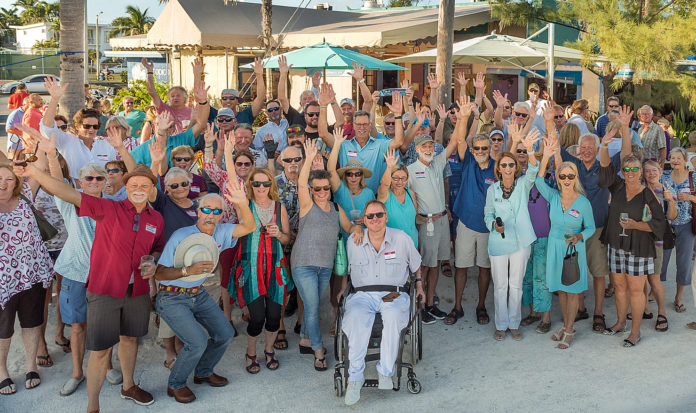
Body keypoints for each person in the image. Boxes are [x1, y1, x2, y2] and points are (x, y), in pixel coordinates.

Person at [18, 163, 166, 410]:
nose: (139, 189)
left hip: (137, 291)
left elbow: (157, 247)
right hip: (105, 290)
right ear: (125, 188)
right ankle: (93, 406)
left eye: (144, 185)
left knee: (129, 340)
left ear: (152, 190)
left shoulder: (157, 219)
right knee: (100, 350)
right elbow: (68, 193)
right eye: (133, 185)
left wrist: (154, 262)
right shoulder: (109, 207)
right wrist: (35, 172)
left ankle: (128, 386)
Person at [154, 189, 256, 403]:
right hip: (171, 296)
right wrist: (186, 271)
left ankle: (203, 372)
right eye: (206, 210)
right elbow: (160, 272)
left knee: (225, 333)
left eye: (216, 211)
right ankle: (176, 384)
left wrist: (242, 203)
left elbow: (250, 226)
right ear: (198, 212)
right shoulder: (181, 235)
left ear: (221, 215)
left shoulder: (222, 231)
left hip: (197, 293)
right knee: (197, 341)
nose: (211, 215)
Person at [550, 105, 633, 332]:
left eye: (591, 147)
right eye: (583, 147)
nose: (586, 151)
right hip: (573, 229)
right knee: (573, 271)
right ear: (578, 149)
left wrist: (625, 129)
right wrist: (550, 121)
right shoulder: (572, 164)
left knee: (598, 273)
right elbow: (554, 148)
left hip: (597, 228)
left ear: (597, 149)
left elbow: (626, 155)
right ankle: (580, 309)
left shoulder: (605, 165)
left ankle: (598, 312)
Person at [341, 200, 424, 406]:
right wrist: (342, 290)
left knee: (394, 314)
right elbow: (347, 273)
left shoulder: (401, 238)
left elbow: (416, 266)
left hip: (392, 293)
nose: (375, 219)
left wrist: (420, 286)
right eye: (370, 216)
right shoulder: (353, 241)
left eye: (379, 215)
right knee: (355, 319)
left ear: (386, 217)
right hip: (363, 294)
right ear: (365, 220)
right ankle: (355, 378)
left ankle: (386, 371)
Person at [293, 140, 362, 371]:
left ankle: (305, 338)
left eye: (325, 188)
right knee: (312, 308)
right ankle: (319, 351)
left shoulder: (335, 209)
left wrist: (358, 228)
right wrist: (309, 160)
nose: (322, 192)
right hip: (303, 264)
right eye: (317, 188)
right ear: (311, 191)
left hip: (325, 266)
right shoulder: (306, 205)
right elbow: (301, 184)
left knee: (314, 305)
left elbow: (349, 227)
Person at [599, 140, 666, 347]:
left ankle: (635, 332)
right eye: (626, 169)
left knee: (636, 290)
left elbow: (659, 225)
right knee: (619, 286)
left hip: (639, 247)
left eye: (635, 169)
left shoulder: (648, 194)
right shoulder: (618, 187)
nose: (630, 172)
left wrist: (636, 224)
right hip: (616, 245)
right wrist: (603, 145)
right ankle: (620, 323)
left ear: (641, 172)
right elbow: (604, 167)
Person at [536, 138, 596, 349]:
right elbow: (538, 181)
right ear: (558, 179)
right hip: (554, 247)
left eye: (571, 175)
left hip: (573, 250)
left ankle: (569, 329)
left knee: (572, 291)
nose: (567, 179)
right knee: (561, 290)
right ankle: (566, 325)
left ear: (575, 177)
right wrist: (546, 157)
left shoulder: (583, 202)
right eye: (563, 176)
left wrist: (580, 237)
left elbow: (590, 227)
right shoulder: (552, 197)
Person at [0, 164, 53, 395]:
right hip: (4, 282)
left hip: (32, 273)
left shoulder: (25, 199)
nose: (3, 183)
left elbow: (40, 160)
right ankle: (2, 371)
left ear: (16, 183)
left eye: (9, 179)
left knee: (32, 323)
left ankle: (31, 365)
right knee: (3, 329)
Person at [233, 168, 293, 374]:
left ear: (271, 185)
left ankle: (268, 351)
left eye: (266, 183)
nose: (261, 187)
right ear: (250, 184)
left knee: (274, 316)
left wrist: (280, 235)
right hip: (252, 268)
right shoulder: (245, 206)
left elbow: (287, 239)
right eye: (256, 183)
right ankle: (251, 353)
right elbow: (232, 182)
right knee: (257, 317)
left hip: (276, 268)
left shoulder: (279, 208)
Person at [484, 128, 541, 340]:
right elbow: (488, 212)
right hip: (499, 241)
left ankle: (514, 323)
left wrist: (530, 149)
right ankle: (501, 324)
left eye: (511, 164)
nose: (507, 168)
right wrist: (493, 225)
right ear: (498, 168)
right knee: (500, 285)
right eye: (503, 165)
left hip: (521, 241)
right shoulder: (493, 190)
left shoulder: (523, 184)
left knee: (516, 285)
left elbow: (534, 169)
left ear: (516, 167)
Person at [408, 130, 459, 324]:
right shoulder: (410, 170)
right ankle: (420, 308)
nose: (428, 149)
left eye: (430, 146)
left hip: (442, 221)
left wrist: (463, 117)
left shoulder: (437, 163)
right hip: (427, 222)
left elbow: (454, 141)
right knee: (425, 266)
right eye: (424, 147)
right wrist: (416, 217)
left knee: (436, 263)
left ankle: (430, 304)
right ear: (417, 149)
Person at [318, 88, 404, 193]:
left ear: (370, 126)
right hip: (347, 198)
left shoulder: (379, 145)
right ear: (353, 126)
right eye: (358, 124)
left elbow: (399, 141)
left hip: (373, 198)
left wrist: (398, 115)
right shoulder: (344, 145)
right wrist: (322, 106)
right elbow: (323, 134)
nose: (361, 128)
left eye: (365, 124)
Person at [40, 76, 125, 179]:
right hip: (73, 193)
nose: (91, 129)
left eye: (95, 126)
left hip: (100, 193)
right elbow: (47, 128)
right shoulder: (66, 140)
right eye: (87, 126)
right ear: (77, 126)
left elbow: (112, 174)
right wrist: (54, 99)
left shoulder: (106, 146)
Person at [659, 147, 696, 313]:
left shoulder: (693, 177)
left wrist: (689, 197)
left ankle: (678, 297)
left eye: (678, 158)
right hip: (666, 224)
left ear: (685, 160)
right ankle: (654, 291)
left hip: (686, 224)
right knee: (661, 259)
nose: (674, 161)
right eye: (672, 158)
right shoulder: (664, 176)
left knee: (684, 262)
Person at [643, 159, 676, 332]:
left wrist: (670, 201)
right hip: (639, 241)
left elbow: (672, 216)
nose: (651, 173)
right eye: (647, 171)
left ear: (660, 171)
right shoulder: (640, 190)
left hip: (656, 241)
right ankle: (645, 309)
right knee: (641, 279)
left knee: (654, 279)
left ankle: (662, 313)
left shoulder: (665, 191)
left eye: (654, 170)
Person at [327, 128, 376, 231]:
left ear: (361, 176)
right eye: (349, 174)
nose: (353, 177)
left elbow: (374, 216)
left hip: (362, 238)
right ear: (345, 175)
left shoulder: (369, 193)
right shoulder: (340, 188)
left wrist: (365, 220)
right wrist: (337, 144)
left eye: (357, 174)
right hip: (342, 237)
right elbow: (331, 170)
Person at [143, 58, 198, 133]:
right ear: (169, 98)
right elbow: (152, 93)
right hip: (167, 142)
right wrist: (149, 71)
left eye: (178, 95)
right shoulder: (164, 109)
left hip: (187, 143)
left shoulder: (191, 111)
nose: (175, 98)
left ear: (185, 98)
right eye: (172, 96)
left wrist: (197, 74)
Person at [378, 149, 418, 247]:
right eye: (395, 178)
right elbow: (384, 183)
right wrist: (389, 167)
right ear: (390, 178)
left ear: (407, 178)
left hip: (412, 243)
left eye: (403, 178)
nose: (399, 182)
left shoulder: (410, 193)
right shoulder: (385, 195)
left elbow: (414, 217)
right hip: (392, 245)